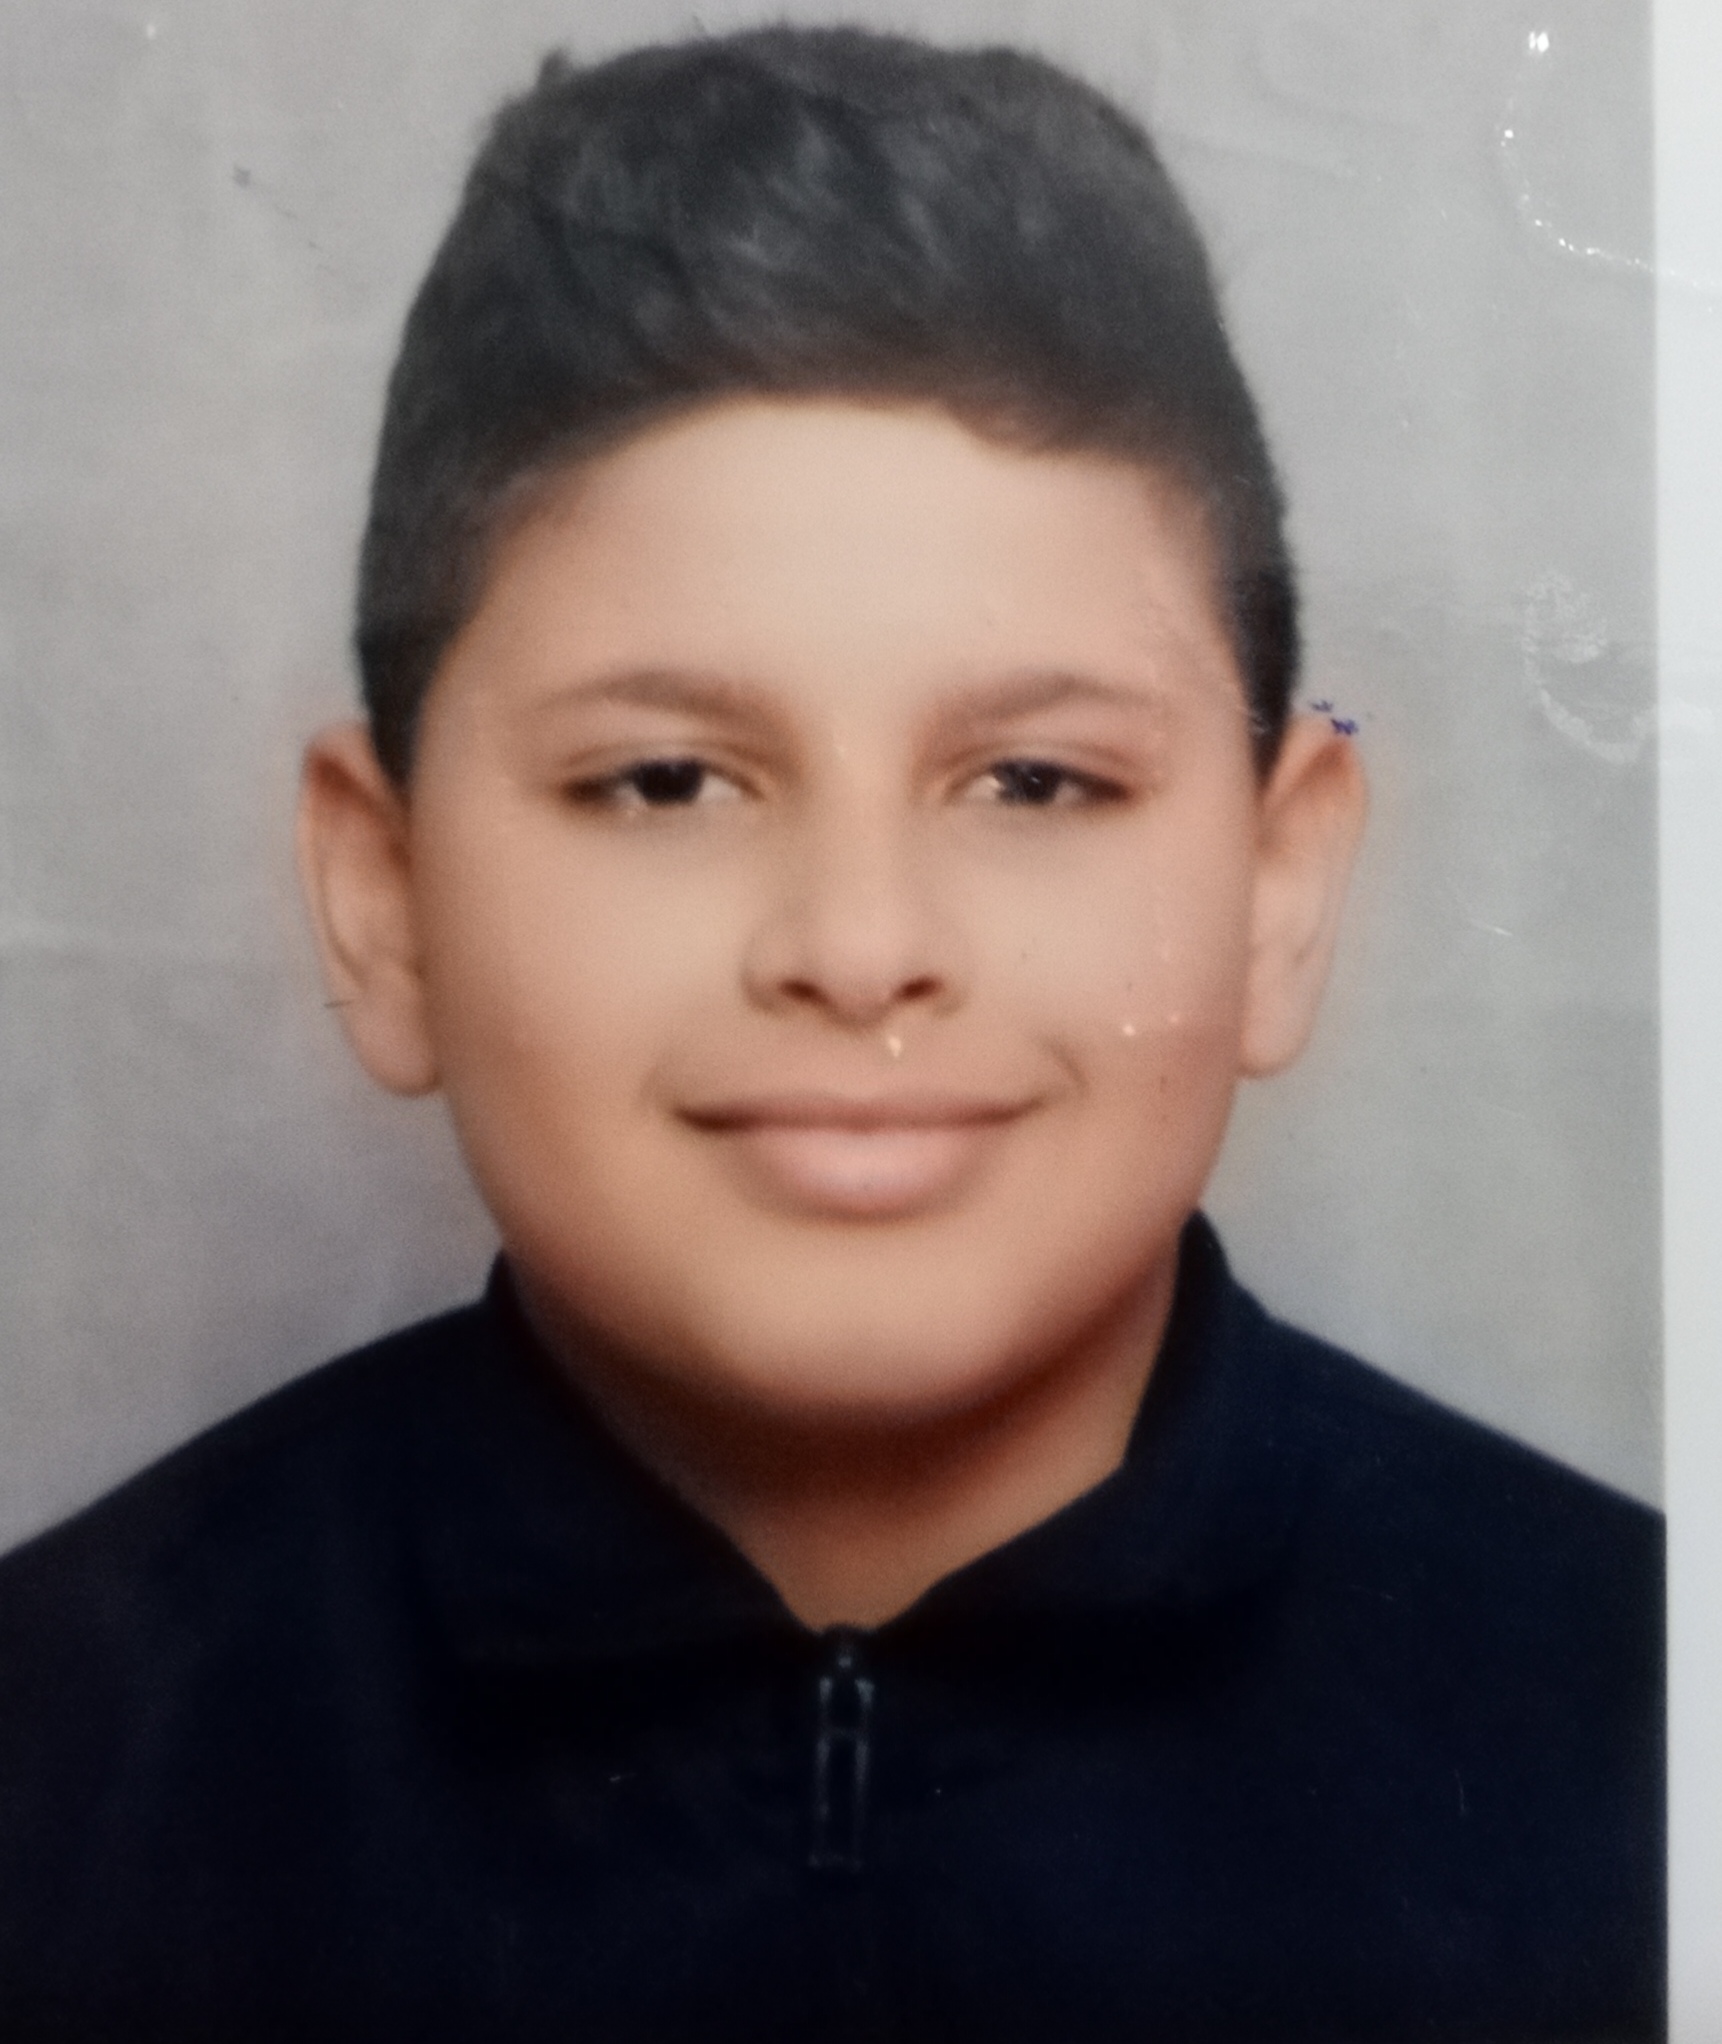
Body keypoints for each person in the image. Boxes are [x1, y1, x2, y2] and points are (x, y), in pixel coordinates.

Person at [0, 25, 1660, 2042]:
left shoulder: (1640, 1743)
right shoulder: (62, 1772)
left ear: (1276, 890)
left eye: (1034, 780)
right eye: (667, 782)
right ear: (382, 894)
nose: (861, 949)